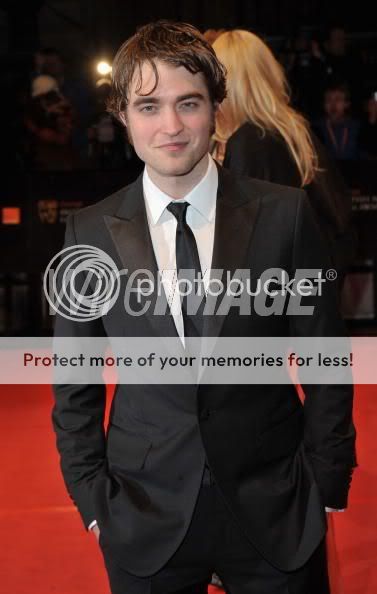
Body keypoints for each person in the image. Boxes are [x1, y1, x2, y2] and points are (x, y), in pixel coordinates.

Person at [51, 21, 356, 594]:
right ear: (123, 116)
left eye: (188, 103)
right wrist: (92, 497)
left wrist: (327, 482)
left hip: (276, 505)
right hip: (143, 511)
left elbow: (326, 359)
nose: (170, 126)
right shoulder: (88, 232)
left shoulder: (283, 215)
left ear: (217, 106)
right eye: (148, 106)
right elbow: (75, 381)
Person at [212, 30, 354, 281]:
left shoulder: (248, 142)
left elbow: (243, 239)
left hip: (277, 294)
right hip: (311, 282)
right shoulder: (295, 129)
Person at [315, 82, 361, 161]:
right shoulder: (317, 127)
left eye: (338, 99)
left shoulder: (356, 127)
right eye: (328, 99)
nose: (333, 104)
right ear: (324, 104)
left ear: (347, 104)